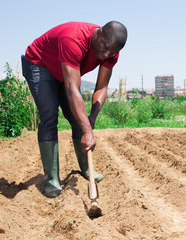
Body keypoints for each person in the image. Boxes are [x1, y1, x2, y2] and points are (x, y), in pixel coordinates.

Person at [21, 21, 128, 198]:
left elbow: (102, 87)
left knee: (82, 120)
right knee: (49, 116)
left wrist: (91, 119)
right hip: (39, 64)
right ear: (99, 33)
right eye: (105, 47)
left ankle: (87, 169)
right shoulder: (74, 39)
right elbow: (72, 89)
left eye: (113, 52)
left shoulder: (111, 52)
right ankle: (52, 181)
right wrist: (87, 131)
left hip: (63, 70)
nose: (106, 54)